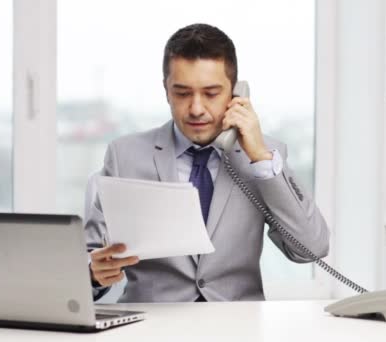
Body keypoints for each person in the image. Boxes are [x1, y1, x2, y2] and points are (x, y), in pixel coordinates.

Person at [85, 23, 329, 303]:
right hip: (151, 327)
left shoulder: (265, 155)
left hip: (236, 327)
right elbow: (87, 261)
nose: (196, 108)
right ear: (166, 90)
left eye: (211, 93)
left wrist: (261, 160)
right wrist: (94, 271)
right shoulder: (124, 154)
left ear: (236, 94)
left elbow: (311, 249)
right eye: (182, 93)